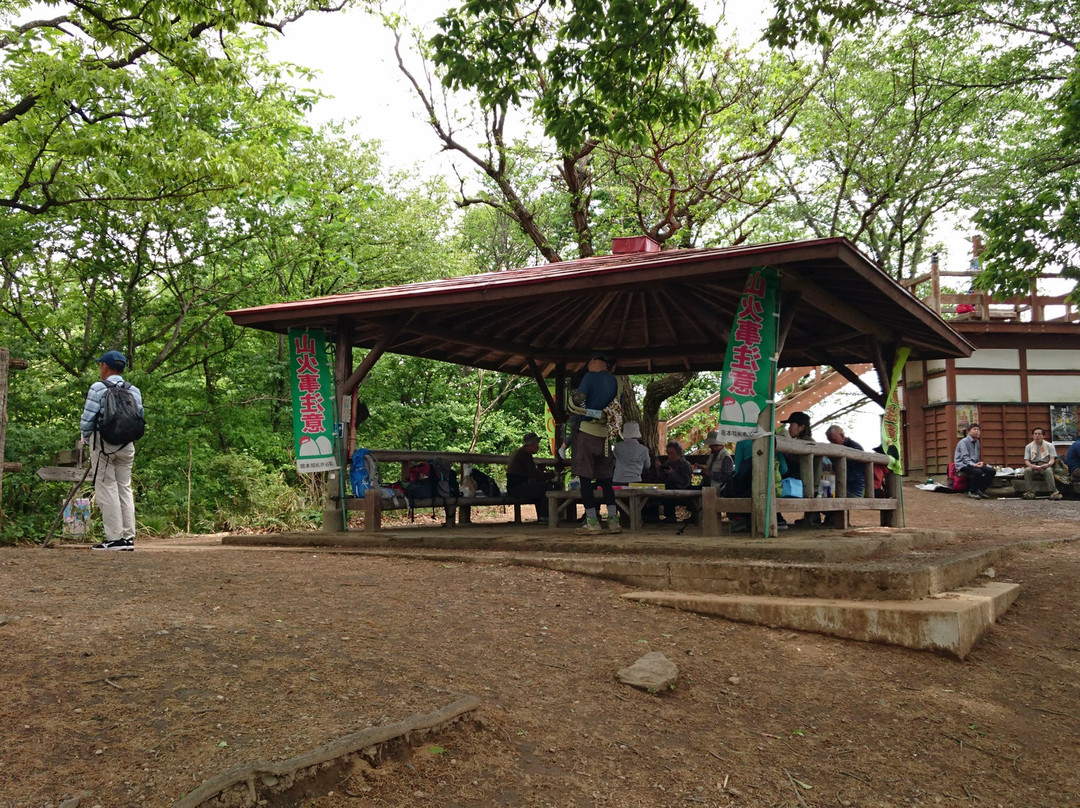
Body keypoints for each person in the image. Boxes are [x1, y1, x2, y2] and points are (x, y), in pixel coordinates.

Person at [79, 350, 143, 550]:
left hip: (104, 445)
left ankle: (114, 539)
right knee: (125, 486)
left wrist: (88, 438)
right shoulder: (134, 390)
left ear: (105, 366)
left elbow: (88, 419)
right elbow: (139, 417)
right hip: (127, 445)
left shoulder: (98, 388)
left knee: (107, 487)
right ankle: (128, 538)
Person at [570, 353, 621, 534]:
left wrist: (593, 413)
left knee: (585, 478)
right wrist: (604, 415)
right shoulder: (617, 382)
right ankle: (614, 520)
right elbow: (618, 409)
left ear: (592, 361)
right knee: (606, 480)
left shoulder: (589, 376)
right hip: (606, 436)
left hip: (588, 432)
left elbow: (576, 403)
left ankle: (592, 520)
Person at [780, 411, 822, 527]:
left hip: (806, 486)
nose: (789, 428)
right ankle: (813, 517)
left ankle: (778, 518)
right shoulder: (807, 442)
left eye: (791, 425)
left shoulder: (804, 444)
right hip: (810, 484)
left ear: (801, 427)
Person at [507, 431, 555, 523]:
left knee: (539, 488)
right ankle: (545, 516)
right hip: (517, 488)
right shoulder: (524, 454)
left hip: (515, 487)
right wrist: (552, 475)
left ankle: (542, 516)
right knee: (548, 487)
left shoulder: (521, 452)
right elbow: (533, 474)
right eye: (536, 444)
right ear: (530, 445)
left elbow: (530, 472)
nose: (538, 446)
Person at [651, 440, 693, 523]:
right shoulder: (667, 463)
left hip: (682, 488)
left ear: (678, 453)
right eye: (668, 453)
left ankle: (670, 516)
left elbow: (685, 481)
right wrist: (659, 469)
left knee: (669, 489)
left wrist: (673, 473)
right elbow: (662, 479)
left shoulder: (685, 464)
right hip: (669, 487)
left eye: (672, 453)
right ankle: (653, 516)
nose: (669, 456)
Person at [954, 423, 995, 499]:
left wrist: (980, 463)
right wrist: (974, 465)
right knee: (978, 472)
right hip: (963, 464)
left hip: (974, 464)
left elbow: (976, 457)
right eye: (974, 429)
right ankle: (971, 491)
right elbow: (964, 458)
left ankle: (980, 490)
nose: (977, 431)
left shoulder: (977, 442)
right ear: (969, 432)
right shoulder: (964, 442)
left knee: (991, 471)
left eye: (978, 430)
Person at [825, 425, 866, 498]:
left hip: (853, 487)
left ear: (842, 436)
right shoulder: (835, 448)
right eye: (830, 441)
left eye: (834, 440)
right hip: (841, 484)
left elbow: (855, 473)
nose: (832, 443)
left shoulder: (855, 448)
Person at [1022, 427, 1061, 500]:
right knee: (1027, 470)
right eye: (1035, 434)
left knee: (1049, 471)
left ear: (1043, 436)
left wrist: (1048, 464)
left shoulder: (1050, 445)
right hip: (1034, 465)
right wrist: (1031, 465)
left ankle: (1054, 492)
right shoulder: (1028, 446)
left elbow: (1052, 459)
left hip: (1045, 465)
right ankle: (1030, 492)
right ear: (1033, 436)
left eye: (1039, 434)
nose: (1037, 436)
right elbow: (1026, 460)